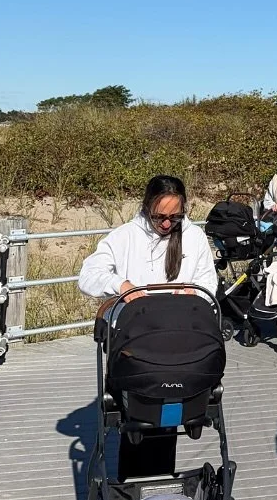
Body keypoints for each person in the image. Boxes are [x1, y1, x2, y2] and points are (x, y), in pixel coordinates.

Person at [78, 175, 218, 478]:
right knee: (138, 419)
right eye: (159, 217)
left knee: (167, 414)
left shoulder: (193, 237)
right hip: (135, 345)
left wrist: (193, 291)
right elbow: (88, 276)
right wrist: (121, 284)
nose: (166, 224)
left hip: (180, 345)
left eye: (174, 217)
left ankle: (157, 490)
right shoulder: (125, 236)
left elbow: (209, 280)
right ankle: (135, 490)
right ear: (146, 208)